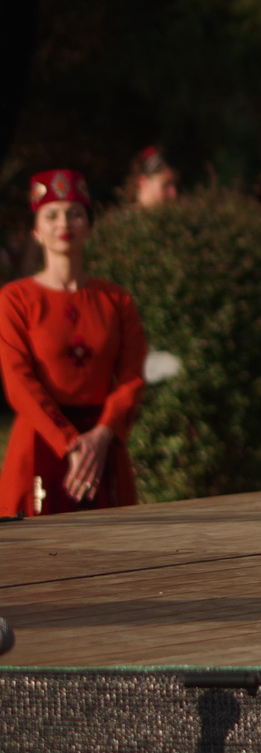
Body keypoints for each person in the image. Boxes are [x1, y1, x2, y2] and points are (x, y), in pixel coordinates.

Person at [1, 171, 147, 517]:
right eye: (51, 215)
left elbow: (132, 377)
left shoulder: (116, 300)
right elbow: (18, 381)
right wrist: (69, 442)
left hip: (103, 444)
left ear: (88, 226)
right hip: (39, 440)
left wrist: (102, 435)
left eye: (75, 213)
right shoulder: (15, 299)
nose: (63, 223)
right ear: (36, 230)